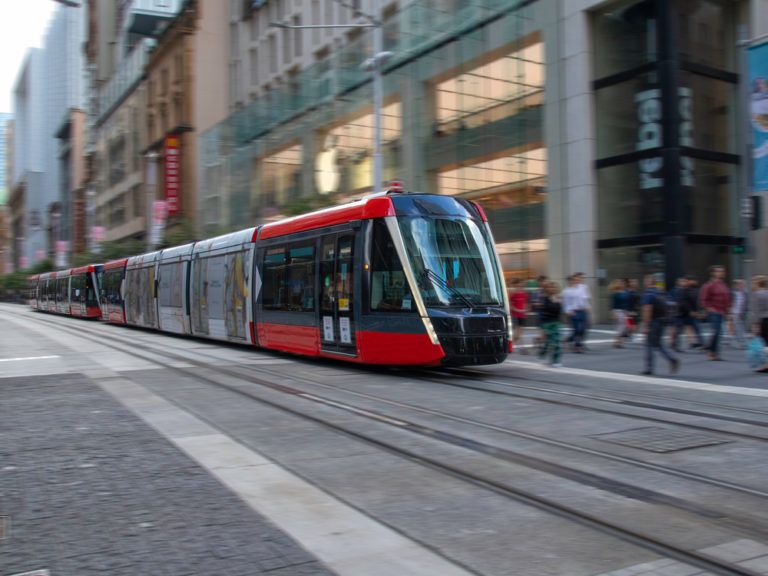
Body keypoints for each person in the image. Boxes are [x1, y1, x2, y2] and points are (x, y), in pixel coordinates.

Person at [640, 273, 679, 375]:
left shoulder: (648, 294)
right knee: (657, 343)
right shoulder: (661, 292)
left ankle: (649, 368)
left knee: (648, 344)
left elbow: (647, 310)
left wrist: (646, 325)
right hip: (662, 320)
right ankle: (671, 358)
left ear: (648, 282)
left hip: (653, 321)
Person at [699, 265, 732, 361]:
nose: (721, 273)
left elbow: (728, 298)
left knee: (718, 332)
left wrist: (729, 309)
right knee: (717, 331)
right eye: (719, 271)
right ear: (713, 273)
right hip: (714, 311)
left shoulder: (724, 285)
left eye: (722, 271)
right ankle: (713, 352)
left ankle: (711, 350)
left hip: (722, 311)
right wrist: (709, 308)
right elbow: (703, 299)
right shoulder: (708, 285)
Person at [538, 281, 563, 367]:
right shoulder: (545, 299)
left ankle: (555, 360)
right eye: (551, 287)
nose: (553, 289)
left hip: (556, 322)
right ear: (548, 289)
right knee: (549, 342)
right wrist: (542, 328)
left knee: (557, 342)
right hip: (547, 323)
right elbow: (544, 312)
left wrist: (557, 303)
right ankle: (542, 354)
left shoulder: (558, 298)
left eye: (554, 287)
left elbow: (559, 312)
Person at [562, 275, 589, 353]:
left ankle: (568, 340)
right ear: (570, 281)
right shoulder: (567, 291)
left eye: (576, 280)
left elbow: (585, 299)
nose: (576, 281)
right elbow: (565, 303)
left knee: (583, 329)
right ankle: (577, 346)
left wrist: (587, 306)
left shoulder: (582, 288)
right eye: (573, 280)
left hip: (582, 311)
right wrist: (568, 311)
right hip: (573, 312)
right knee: (577, 330)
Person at [508, 278, 529, 353]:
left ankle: (509, 345)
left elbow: (526, 303)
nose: (521, 284)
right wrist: (518, 310)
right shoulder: (513, 293)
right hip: (516, 314)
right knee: (517, 331)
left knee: (519, 332)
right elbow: (510, 305)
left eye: (521, 283)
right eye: (519, 283)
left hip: (522, 315)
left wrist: (526, 309)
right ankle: (522, 348)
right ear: (516, 284)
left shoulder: (524, 293)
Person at [609, 278, 630, 348]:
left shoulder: (625, 292)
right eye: (618, 283)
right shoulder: (615, 293)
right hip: (617, 311)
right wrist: (613, 313)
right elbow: (612, 304)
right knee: (621, 326)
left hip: (624, 311)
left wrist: (627, 311)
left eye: (621, 283)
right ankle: (618, 341)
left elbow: (627, 303)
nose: (620, 284)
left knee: (624, 326)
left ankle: (617, 341)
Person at [726, 279, 747, 349]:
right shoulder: (732, 293)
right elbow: (729, 303)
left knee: (736, 327)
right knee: (737, 327)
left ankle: (730, 341)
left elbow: (744, 303)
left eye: (742, 285)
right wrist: (730, 312)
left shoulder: (743, 293)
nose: (742, 286)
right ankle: (741, 342)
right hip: (734, 313)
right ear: (736, 285)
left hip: (740, 313)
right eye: (740, 284)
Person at [751, 275, 768, 345]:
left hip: (763, 321)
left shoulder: (757, 294)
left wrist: (756, 327)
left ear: (757, 284)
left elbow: (756, 311)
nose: (752, 285)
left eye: (753, 283)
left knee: (763, 344)